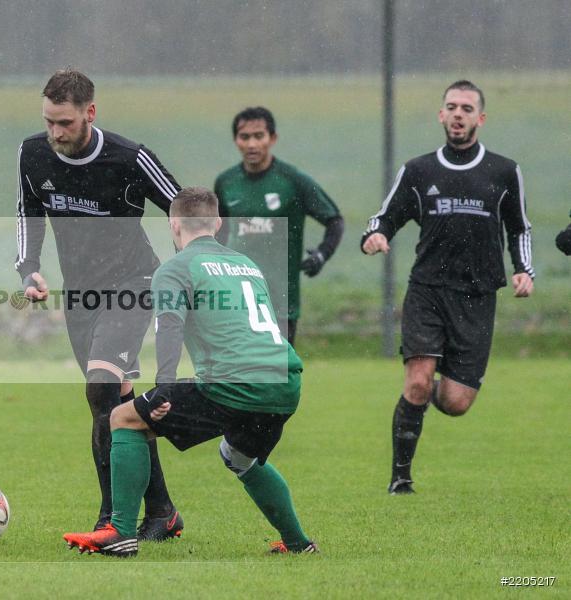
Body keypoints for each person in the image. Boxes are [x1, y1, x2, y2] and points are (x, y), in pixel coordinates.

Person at [62, 187, 317, 557]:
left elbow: (169, 327)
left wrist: (163, 388)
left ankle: (119, 531)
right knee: (239, 457)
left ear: (173, 225)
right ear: (216, 223)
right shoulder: (246, 265)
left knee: (123, 417)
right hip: (285, 379)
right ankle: (297, 544)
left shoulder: (175, 268)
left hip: (234, 381)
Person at [15, 69, 184, 539]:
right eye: (49, 121)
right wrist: (28, 267)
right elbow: (27, 210)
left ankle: (112, 519)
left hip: (135, 281)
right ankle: (163, 512)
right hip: (81, 294)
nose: (55, 133)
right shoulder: (32, 153)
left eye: (64, 123)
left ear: (90, 113)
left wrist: (193, 268)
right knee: (117, 402)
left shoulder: (130, 158)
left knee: (101, 390)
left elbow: (185, 209)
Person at [361, 80, 535, 495]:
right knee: (418, 381)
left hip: (477, 296)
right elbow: (385, 217)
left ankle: (419, 399)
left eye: (467, 108)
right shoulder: (419, 170)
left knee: (456, 403)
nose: (458, 114)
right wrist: (375, 236)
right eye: (451, 107)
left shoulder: (504, 171)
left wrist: (524, 270)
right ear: (441, 115)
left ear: (481, 118)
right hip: (427, 289)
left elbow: (519, 227)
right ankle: (400, 477)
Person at [215, 107, 344, 345]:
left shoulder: (292, 180)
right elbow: (219, 233)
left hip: (281, 299)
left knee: (277, 377)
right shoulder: (226, 183)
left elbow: (334, 220)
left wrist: (322, 254)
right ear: (236, 140)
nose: (252, 144)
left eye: (259, 136)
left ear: (272, 139)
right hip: (237, 297)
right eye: (245, 137)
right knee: (239, 375)